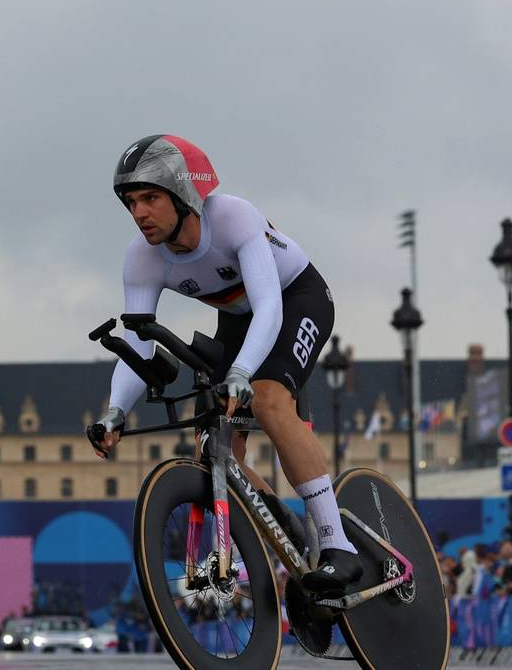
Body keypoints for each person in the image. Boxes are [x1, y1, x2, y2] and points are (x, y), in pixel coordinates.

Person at [90, 134, 360, 594]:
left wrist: (241, 374)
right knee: (211, 448)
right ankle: (288, 532)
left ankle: (340, 547)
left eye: (150, 198)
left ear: (183, 194)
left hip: (295, 297)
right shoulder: (141, 258)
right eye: (131, 202)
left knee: (271, 401)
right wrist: (115, 409)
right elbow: (139, 344)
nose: (139, 214)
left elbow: (270, 307)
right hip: (238, 318)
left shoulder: (233, 216)